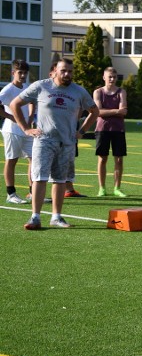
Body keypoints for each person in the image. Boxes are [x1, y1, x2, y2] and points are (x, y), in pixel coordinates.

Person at [10, 58, 99, 230]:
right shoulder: (41, 86)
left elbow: (94, 111)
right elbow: (15, 104)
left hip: (66, 143)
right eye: (64, 70)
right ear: (55, 71)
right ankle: (35, 217)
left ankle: (56, 217)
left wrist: (81, 132)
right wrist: (26, 128)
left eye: (70, 71)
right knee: (40, 178)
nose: (67, 74)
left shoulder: (79, 91)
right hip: (44, 141)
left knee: (60, 180)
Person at [1, 60, 33, 204]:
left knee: (34, 159)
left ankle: (33, 192)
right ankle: (11, 194)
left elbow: (33, 101)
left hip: (27, 130)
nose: (22, 75)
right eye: (20, 72)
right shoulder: (7, 90)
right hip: (12, 131)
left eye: (25, 73)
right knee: (12, 160)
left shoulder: (27, 87)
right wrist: (12, 117)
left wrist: (31, 117)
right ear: (13, 73)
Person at [93, 67, 128, 197]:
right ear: (104, 77)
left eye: (114, 77)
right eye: (110, 77)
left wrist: (109, 112)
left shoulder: (121, 92)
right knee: (102, 159)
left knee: (119, 160)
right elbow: (98, 112)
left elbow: (124, 111)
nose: (112, 79)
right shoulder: (98, 92)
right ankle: (102, 188)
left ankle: (117, 188)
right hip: (102, 130)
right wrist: (116, 111)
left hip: (118, 129)